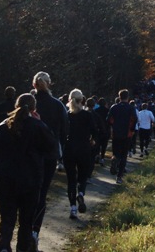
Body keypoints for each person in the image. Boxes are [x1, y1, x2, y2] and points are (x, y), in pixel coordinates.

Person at [0, 93, 56, 252]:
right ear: (34, 108)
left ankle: (4, 246)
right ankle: (23, 248)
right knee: (26, 222)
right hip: (30, 181)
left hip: (5, 179)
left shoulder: (3, 126)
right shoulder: (38, 126)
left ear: (16, 106)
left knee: (7, 219)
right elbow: (51, 149)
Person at [31, 71, 69, 244]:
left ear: (34, 85)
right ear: (49, 83)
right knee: (42, 191)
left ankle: (25, 229)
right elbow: (65, 130)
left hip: (27, 153)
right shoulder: (58, 105)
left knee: (27, 191)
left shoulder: (28, 103)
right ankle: (34, 232)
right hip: (48, 154)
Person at [62, 89, 98, 219]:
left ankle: (72, 208)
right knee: (83, 176)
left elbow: (62, 132)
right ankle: (81, 194)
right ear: (82, 100)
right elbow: (95, 130)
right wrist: (92, 140)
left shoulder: (67, 115)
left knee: (71, 180)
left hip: (69, 149)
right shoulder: (87, 115)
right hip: (84, 149)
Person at [106, 89, 137, 184]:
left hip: (116, 134)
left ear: (119, 97)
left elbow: (109, 119)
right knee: (124, 155)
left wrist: (113, 127)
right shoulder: (131, 108)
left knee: (116, 153)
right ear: (128, 97)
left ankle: (115, 160)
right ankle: (119, 176)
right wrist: (131, 130)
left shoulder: (114, 107)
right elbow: (134, 119)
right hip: (126, 135)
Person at [93, 97, 110, 166]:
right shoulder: (108, 111)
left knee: (97, 144)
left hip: (98, 130)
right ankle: (102, 158)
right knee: (104, 145)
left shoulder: (96, 111)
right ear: (105, 103)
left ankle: (97, 155)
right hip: (106, 130)